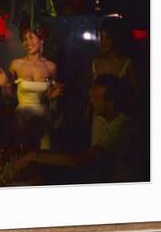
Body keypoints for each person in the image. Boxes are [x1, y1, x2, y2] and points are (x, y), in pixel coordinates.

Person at [10, 74, 139, 184]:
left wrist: (35, 156)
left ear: (110, 104)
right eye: (90, 97)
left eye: (94, 98)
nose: (91, 102)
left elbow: (82, 159)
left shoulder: (121, 128)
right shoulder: (112, 122)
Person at [0, 25, 63, 150]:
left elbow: (54, 99)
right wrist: (4, 85)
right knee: (23, 154)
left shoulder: (51, 67)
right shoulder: (16, 64)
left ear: (42, 39)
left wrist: (51, 98)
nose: (27, 43)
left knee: (44, 155)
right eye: (24, 39)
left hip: (43, 118)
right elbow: (9, 97)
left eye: (31, 37)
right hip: (22, 117)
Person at [88, 17, 137, 147]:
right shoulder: (96, 63)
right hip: (98, 119)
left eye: (107, 38)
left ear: (117, 39)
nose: (103, 42)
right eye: (101, 37)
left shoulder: (127, 63)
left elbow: (135, 95)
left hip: (119, 120)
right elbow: (92, 93)